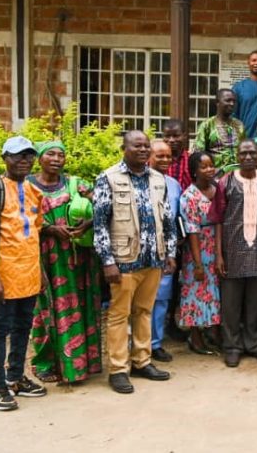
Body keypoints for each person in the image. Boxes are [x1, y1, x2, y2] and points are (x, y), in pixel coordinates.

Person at [93, 130, 176, 394]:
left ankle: (142, 361)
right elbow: (100, 224)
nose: (142, 150)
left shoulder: (158, 179)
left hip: (153, 259)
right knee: (119, 315)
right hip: (124, 260)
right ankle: (118, 369)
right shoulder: (108, 178)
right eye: (136, 146)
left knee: (144, 311)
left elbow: (168, 220)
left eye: (146, 146)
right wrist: (108, 261)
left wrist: (170, 252)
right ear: (124, 149)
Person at [0, 137, 48, 410]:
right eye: (17, 155)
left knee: (23, 327)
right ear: (5, 158)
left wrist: (40, 272)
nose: (24, 160)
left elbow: (34, 234)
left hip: (29, 274)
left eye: (29, 155)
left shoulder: (34, 191)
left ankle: (15, 378)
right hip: (2, 275)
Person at [25, 141, 101, 384]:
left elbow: (104, 204)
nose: (57, 159)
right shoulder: (26, 185)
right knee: (44, 308)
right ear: (39, 158)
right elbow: (17, 217)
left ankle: (81, 363)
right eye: (51, 154)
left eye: (61, 155)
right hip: (43, 257)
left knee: (79, 306)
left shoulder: (76, 184)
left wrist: (87, 224)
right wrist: (49, 228)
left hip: (78, 259)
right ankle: (46, 363)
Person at [208, 139, 257, 368]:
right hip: (232, 251)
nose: (249, 157)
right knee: (231, 303)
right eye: (244, 153)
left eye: (253, 153)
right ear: (237, 156)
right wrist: (219, 254)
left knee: (255, 301)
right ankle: (232, 346)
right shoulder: (226, 182)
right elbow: (218, 219)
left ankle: (253, 344)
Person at [178, 152, 222, 355]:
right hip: (198, 249)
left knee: (214, 291)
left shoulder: (218, 189)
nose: (209, 169)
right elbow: (192, 231)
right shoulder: (189, 196)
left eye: (211, 165)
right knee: (196, 290)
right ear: (194, 171)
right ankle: (195, 337)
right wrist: (197, 264)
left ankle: (213, 332)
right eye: (203, 167)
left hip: (217, 246)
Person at [149, 140, 184, 363]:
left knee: (161, 299)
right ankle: (136, 345)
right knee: (139, 301)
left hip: (165, 252)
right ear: (149, 157)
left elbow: (177, 218)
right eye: (159, 156)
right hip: (140, 251)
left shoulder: (174, 185)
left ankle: (155, 344)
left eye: (168, 156)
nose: (165, 160)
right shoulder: (137, 181)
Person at [195, 88, 244, 174]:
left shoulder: (239, 125)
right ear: (217, 102)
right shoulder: (207, 125)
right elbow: (198, 154)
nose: (232, 104)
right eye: (228, 100)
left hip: (238, 175)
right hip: (216, 176)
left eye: (234, 101)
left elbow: (244, 150)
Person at [162, 119, 192, 190]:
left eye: (176, 136)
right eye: (167, 136)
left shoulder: (191, 160)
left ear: (184, 136)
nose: (171, 140)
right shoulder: (155, 160)